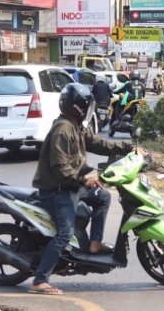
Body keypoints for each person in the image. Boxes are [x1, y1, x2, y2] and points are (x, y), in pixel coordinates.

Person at [30, 83, 138, 295]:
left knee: (104, 196)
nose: (88, 110)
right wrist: (83, 180)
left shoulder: (76, 127)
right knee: (65, 234)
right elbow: (60, 168)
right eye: (86, 106)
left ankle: (94, 244)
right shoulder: (62, 130)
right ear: (77, 107)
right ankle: (40, 280)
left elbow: (98, 143)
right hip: (57, 190)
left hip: (70, 185)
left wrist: (129, 147)